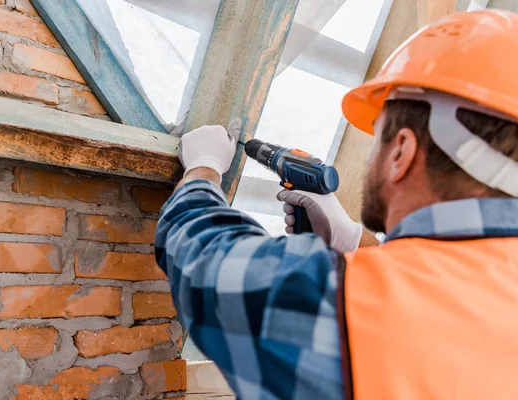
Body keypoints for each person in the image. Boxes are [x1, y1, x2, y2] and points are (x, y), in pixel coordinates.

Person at [155, 10, 518, 400]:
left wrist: (204, 168)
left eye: (375, 139)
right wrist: (353, 241)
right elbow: (445, 292)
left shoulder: (336, 303)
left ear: (402, 153)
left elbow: (201, 257)